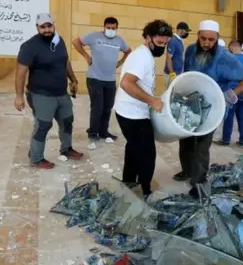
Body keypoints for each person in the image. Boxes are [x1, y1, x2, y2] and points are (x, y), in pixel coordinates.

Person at [173, 20, 243, 197]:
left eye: (211, 40)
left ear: (217, 38)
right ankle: (187, 170)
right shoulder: (191, 50)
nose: (206, 43)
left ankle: (199, 183)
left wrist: (230, 95)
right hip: (190, 104)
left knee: (201, 145)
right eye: (203, 39)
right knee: (186, 140)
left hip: (212, 109)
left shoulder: (226, 57)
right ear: (198, 36)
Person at [14, 13, 84, 169]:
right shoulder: (29, 46)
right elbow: (21, 72)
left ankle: (66, 149)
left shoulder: (59, 41)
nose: (46, 29)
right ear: (37, 27)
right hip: (41, 94)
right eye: (42, 27)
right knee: (43, 125)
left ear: (53, 25)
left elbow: (65, 62)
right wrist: (19, 96)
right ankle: (36, 157)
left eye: (49, 26)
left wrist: (73, 79)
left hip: (61, 92)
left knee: (67, 121)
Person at [113, 19, 172, 199]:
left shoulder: (145, 55)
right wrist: (152, 101)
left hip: (128, 111)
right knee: (147, 155)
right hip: (133, 115)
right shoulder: (142, 56)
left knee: (133, 149)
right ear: (148, 37)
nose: (162, 47)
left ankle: (129, 184)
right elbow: (126, 83)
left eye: (165, 43)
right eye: (159, 43)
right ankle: (144, 191)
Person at [72, 17, 131, 146]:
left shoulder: (119, 40)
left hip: (110, 79)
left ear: (116, 28)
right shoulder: (94, 36)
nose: (110, 30)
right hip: (95, 78)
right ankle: (93, 133)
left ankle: (104, 132)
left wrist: (120, 62)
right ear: (104, 27)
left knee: (107, 107)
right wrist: (87, 57)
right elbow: (76, 42)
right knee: (97, 107)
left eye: (113, 28)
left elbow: (128, 51)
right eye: (108, 28)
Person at [219, 40, 243, 146]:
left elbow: (225, 76)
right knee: (242, 117)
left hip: (233, 92)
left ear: (233, 47)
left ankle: (226, 139)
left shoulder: (231, 59)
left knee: (229, 116)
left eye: (230, 49)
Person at [163, 22, 191, 90]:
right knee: (168, 93)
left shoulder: (179, 41)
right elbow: (169, 58)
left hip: (177, 73)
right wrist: (172, 74)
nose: (187, 33)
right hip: (172, 74)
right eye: (186, 31)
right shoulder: (173, 40)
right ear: (181, 30)